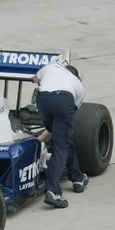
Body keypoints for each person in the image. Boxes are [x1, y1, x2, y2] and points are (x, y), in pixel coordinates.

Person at [33, 63, 88, 209]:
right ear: (76, 76)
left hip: (42, 100)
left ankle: (77, 178)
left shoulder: (51, 67)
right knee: (61, 144)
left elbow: (34, 79)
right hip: (64, 100)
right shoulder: (78, 86)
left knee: (63, 138)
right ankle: (53, 191)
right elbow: (72, 108)